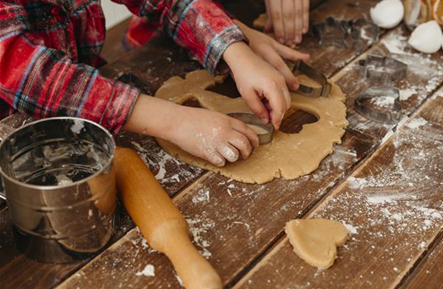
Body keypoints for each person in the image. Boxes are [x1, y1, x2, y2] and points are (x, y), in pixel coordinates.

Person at [0, 0, 309, 167]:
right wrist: (175, 121)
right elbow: (41, 79)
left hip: (95, 112)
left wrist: (235, 50)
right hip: (19, 145)